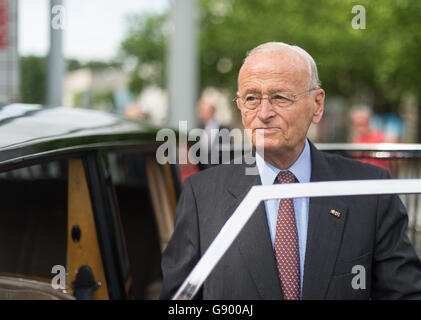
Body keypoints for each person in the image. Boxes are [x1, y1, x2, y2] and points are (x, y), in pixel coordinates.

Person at [160, 42, 421, 300]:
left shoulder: (368, 190)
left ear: (317, 105)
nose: (263, 113)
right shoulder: (202, 195)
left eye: (279, 98)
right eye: (251, 98)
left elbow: (404, 293)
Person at [350, 105, 390, 170]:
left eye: (363, 124)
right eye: (357, 125)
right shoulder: (355, 142)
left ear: (369, 122)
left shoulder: (379, 139)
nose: (360, 129)